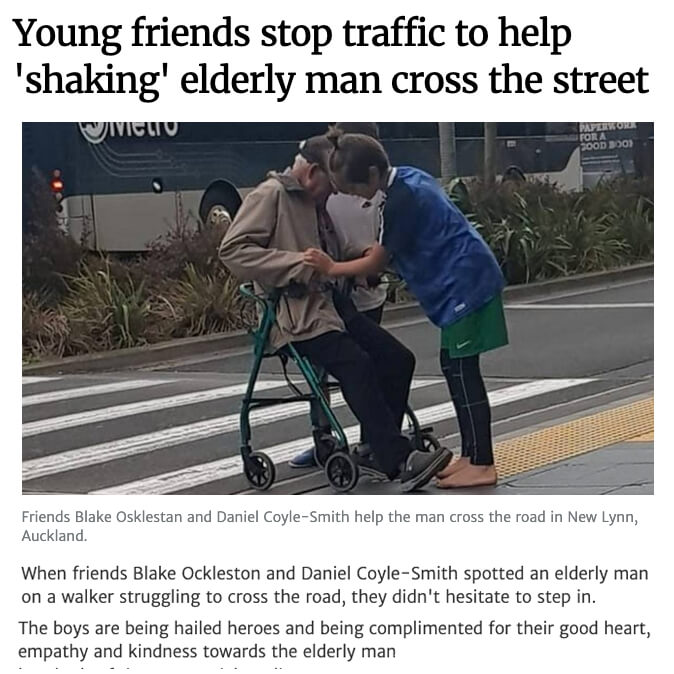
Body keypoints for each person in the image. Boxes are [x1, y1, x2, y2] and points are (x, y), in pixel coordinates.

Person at [218, 135, 451, 492]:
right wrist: (296, 264)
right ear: (312, 172)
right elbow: (233, 251)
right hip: (296, 314)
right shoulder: (271, 196)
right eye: (331, 186)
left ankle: (376, 444)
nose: (334, 195)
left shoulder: (314, 201)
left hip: (333, 306)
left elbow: (334, 252)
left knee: (398, 358)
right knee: (356, 364)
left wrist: (368, 258)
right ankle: (397, 457)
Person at [303, 130, 508, 489]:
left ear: (370, 175)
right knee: (455, 368)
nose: (353, 197)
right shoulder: (409, 179)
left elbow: (377, 260)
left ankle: (483, 463)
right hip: (463, 283)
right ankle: (472, 456)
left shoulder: (400, 199)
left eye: (353, 190)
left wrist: (331, 267)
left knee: (462, 372)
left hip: (466, 285)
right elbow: (392, 251)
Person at [289, 122, 388, 469]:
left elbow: (375, 239)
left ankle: (369, 440)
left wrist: (366, 266)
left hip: (362, 285)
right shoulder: (323, 183)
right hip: (331, 294)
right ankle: (324, 438)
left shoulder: (370, 183)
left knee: (368, 366)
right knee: (324, 369)